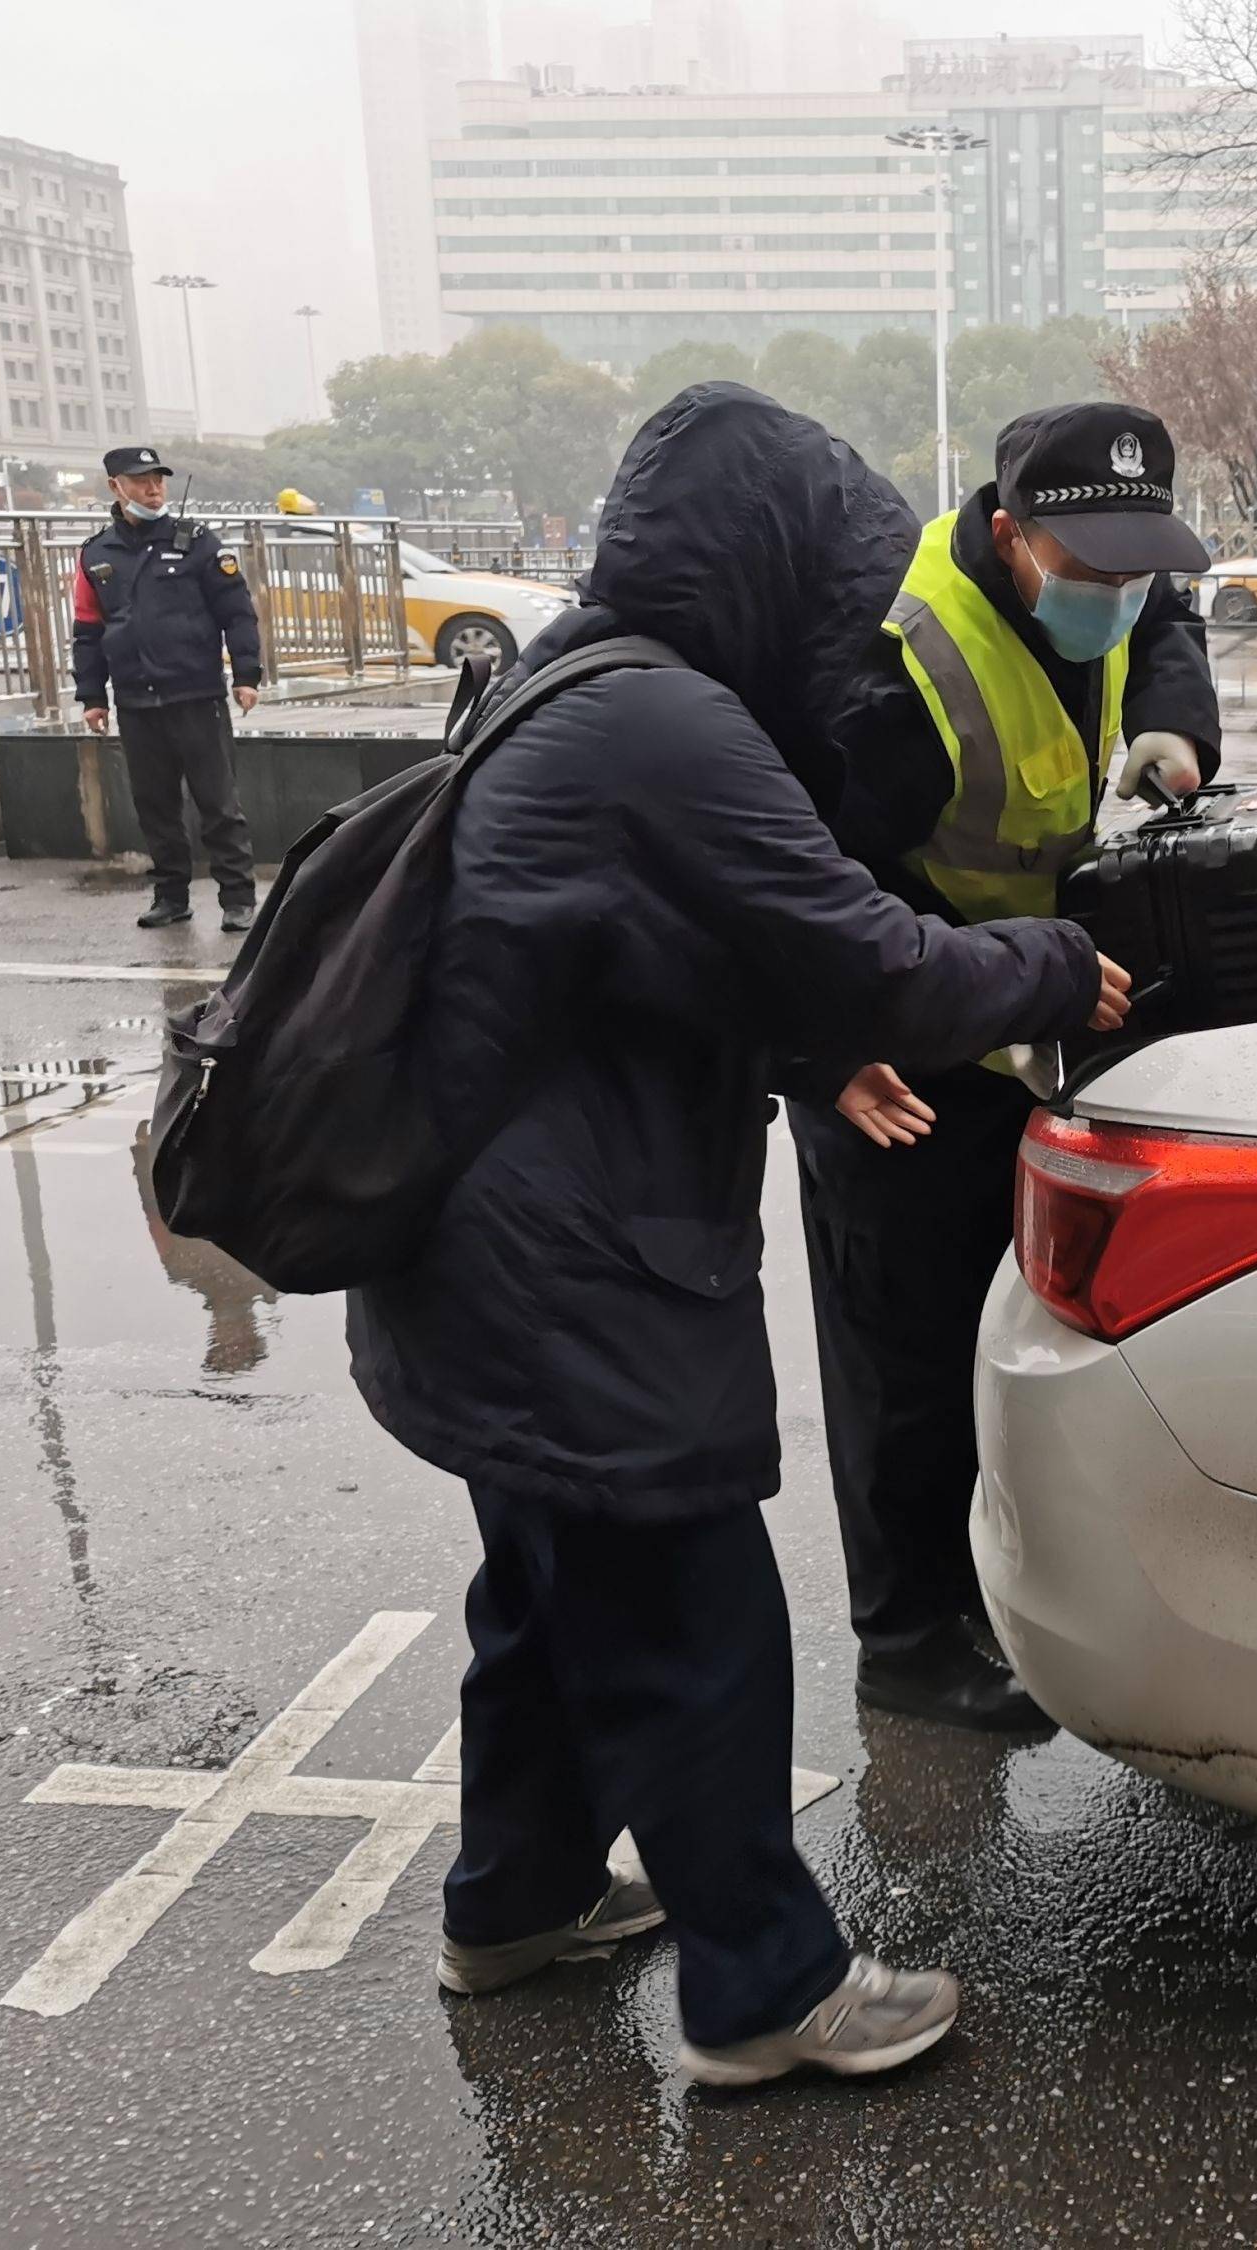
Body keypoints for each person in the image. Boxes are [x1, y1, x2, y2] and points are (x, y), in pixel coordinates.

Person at [345, 385, 1133, 2085]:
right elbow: (870, 952)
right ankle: (764, 1991)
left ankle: (512, 1906)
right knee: (692, 1611)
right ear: (761, 567)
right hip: (576, 1264)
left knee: (550, 1595)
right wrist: (1060, 969)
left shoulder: (563, 677)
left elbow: (663, 950)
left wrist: (805, 1046)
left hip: (479, 1250)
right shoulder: (667, 726)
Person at [804, 403, 1220, 1732]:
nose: (1114, 591)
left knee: (987, 1328)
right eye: (1087, 569)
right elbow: (811, 901)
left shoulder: (1101, 585)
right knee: (900, 1363)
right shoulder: (893, 674)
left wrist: (1167, 724)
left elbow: (1164, 624)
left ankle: (971, 1592)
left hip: (1011, 1030)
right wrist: (834, 1052)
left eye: (1131, 564)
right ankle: (906, 1638)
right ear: (1008, 537)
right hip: (893, 1061)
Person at [69, 443, 263, 932]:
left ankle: (238, 899)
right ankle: (170, 896)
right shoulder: (96, 553)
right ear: (116, 486)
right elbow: (88, 631)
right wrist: (92, 697)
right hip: (136, 700)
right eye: (140, 481)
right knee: (155, 806)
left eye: (158, 479)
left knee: (218, 805)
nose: (153, 489)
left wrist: (246, 675)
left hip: (195, 695)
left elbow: (236, 612)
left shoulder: (197, 541)